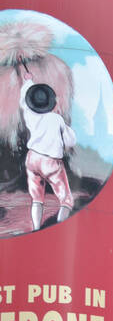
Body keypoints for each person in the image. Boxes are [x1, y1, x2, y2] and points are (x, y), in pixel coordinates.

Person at [18, 76, 77, 232]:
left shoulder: (29, 115)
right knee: (66, 200)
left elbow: (24, 102)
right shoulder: (56, 119)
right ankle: (58, 227)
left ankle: (36, 228)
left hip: (32, 158)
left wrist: (28, 82)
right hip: (51, 162)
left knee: (37, 199)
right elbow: (70, 141)